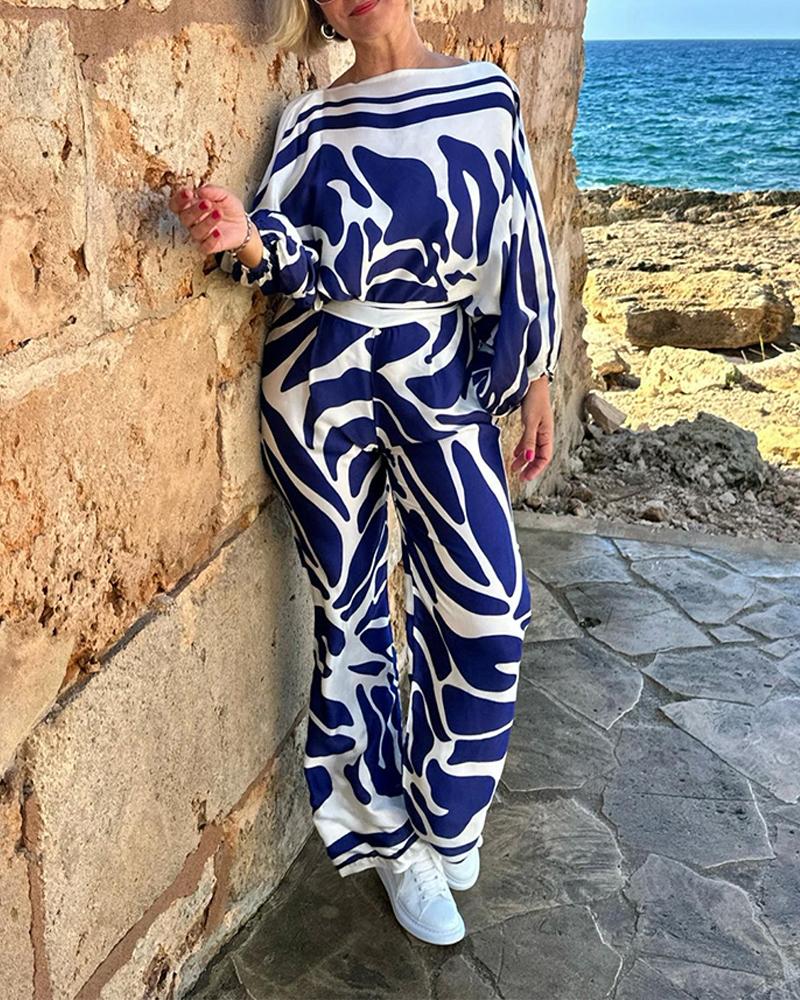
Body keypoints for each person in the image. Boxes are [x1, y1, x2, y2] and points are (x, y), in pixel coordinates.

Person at [169, 0, 562, 948]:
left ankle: (445, 808)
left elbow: (517, 240)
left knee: (490, 610)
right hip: (319, 378)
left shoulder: (485, 95)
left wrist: (534, 375)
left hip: (438, 373)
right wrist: (243, 235)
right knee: (351, 621)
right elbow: (286, 256)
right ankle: (390, 840)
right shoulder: (311, 117)